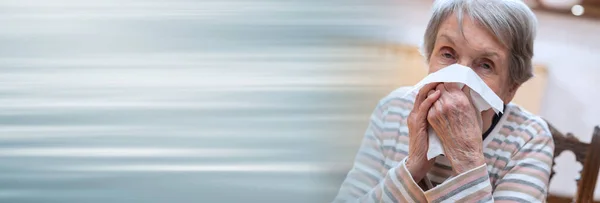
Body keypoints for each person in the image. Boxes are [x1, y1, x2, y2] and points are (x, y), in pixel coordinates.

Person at [333, 0, 554, 202]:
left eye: (486, 65)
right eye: (448, 54)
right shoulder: (393, 110)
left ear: (510, 89)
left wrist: (467, 160)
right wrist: (413, 167)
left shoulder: (529, 138)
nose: (459, 81)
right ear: (430, 57)